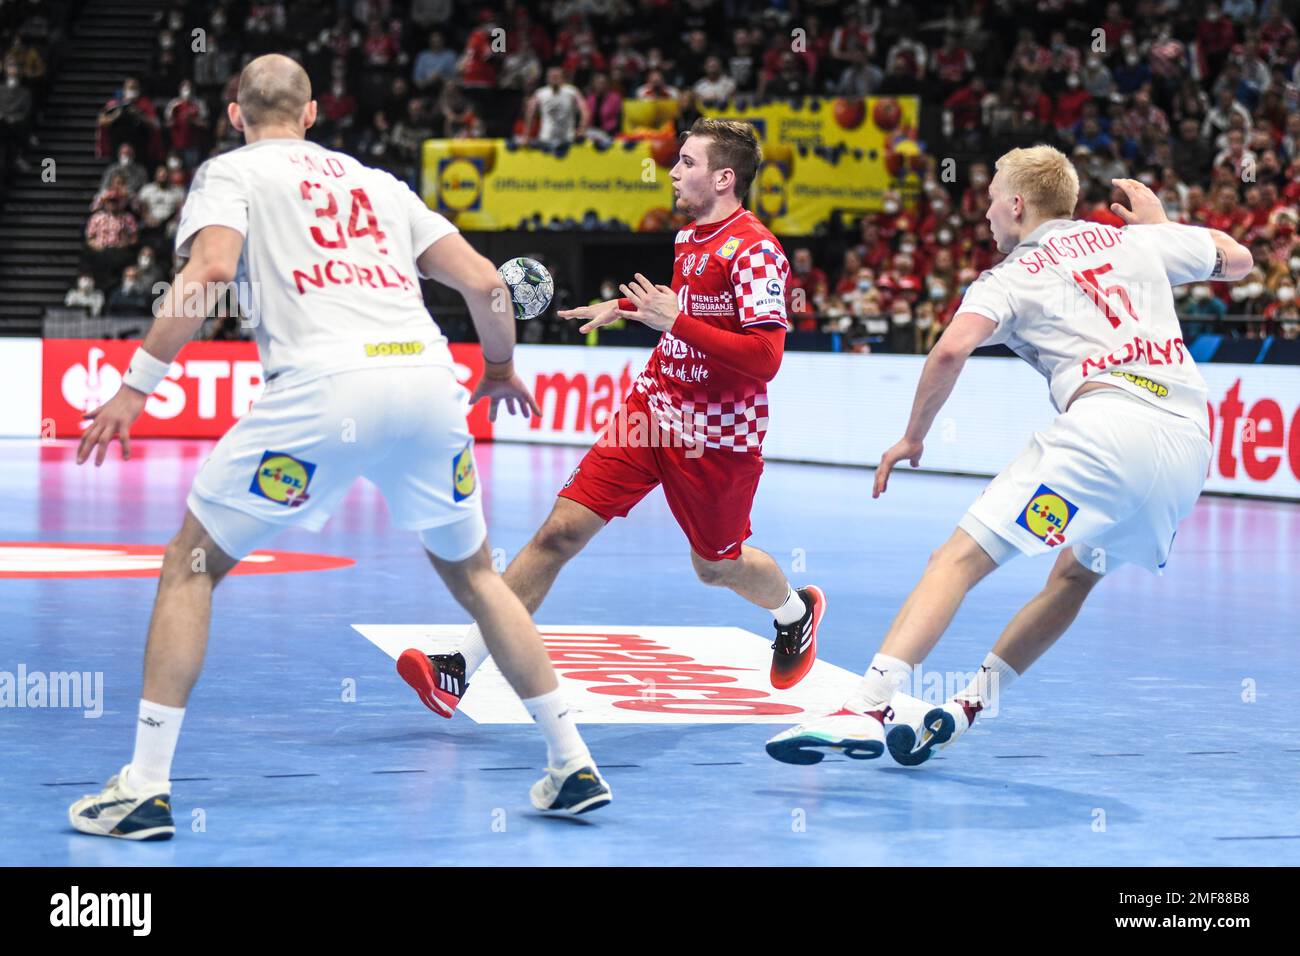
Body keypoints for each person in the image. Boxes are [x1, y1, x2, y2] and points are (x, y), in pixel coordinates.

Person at [68, 54, 611, 841]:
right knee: (478, 577)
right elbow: (490, 286)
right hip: (426, 382)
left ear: (234, 115)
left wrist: (134, 387)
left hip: (322, 389)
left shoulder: (232, 172)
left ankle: (144, 786)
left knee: (191, 561)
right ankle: (570, 762)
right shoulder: (380, 184)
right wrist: (498, 366)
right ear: (314, 113)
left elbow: (211, 270)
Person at [766, 146, 1251, 766]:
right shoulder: (1136, 243)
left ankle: (867, 707)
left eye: (993, 197)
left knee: (958, 561)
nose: (987, 212)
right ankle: (967, 706)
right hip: (1187, 450)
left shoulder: (1009, 276)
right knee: (1076, 575)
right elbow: (1238, 260)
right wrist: (1159, 227)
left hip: (1104, 432)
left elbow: (949, 351)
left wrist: (913, 436)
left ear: (1017, 205)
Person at [397, 118, 827, 721]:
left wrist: (672, 322)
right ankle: (457, 670)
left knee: (717, 566)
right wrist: (627, 307)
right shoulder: (689, 238)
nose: (673, 172)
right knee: (558, 533)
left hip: (718, 439)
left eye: (687, 163)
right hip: (651, 410)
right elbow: (688, 311)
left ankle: (794, 612)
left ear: (725, 178)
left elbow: (765, 358)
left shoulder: (756, 250)